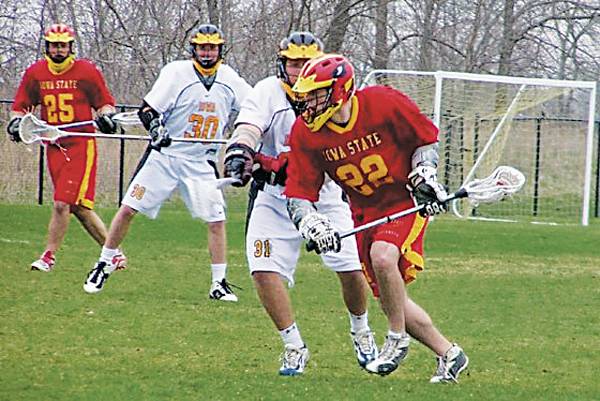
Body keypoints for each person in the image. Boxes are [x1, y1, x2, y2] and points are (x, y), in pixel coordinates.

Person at [284, 54, 469, 383]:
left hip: (403, 201)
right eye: (306, 95)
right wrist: (311, 223)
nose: (308, 102)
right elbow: (299, 192)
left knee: (382, 257)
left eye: (316, 94)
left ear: (339, 90)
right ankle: (449, 354)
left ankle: (396, 341)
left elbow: (424, 140)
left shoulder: (382, 103)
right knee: (389, 299)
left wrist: (425, 174)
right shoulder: (306, 132)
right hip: (363, 213)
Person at [223, 32, 376, 376]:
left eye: (305, 63)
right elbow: (248, 127)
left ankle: (361, 330)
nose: (298, 71)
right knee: (262, 269)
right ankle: (293, 346)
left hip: (325, 197)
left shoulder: (334, 97)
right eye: (293, 63)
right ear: (282, 64)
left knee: (351, 269)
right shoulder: (267, 92)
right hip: (276, 197)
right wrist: (240, 152)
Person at [83, 24, 251, 301]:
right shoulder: (177, 73)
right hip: (166, 157)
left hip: (201, 161)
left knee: (216, 220)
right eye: (202, 47)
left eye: (212, 48)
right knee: (129, 208)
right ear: (193, 49)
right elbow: (148, 110)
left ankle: (219, 283)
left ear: (221, 49)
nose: (207, 53)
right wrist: (156, 129)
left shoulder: (230, 79)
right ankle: (105, 262)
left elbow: (253, 109)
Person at [7, 23, 124, 272]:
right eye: (54, 45)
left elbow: (105, 103)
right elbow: (20, 106)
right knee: (79, 207)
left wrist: (106, 117)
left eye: (63, 45)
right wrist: (16, 123)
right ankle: (113, 254)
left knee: (62, 203)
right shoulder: (36, 73)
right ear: (47, 47)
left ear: (71, 46)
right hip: (53, 145)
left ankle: (48, 256)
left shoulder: (86, 72)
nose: (58, 50)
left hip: (81, 144)